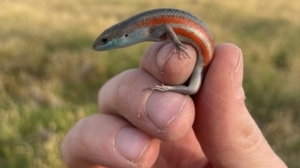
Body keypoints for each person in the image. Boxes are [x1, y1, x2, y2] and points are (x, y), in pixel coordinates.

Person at [61, 43, 287, 167]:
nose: (103, 46)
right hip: (198, 62)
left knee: (178, 72)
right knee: (177, 74)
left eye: (106, 42)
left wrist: (177, 44)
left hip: (201, 55)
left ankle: (168, 87)